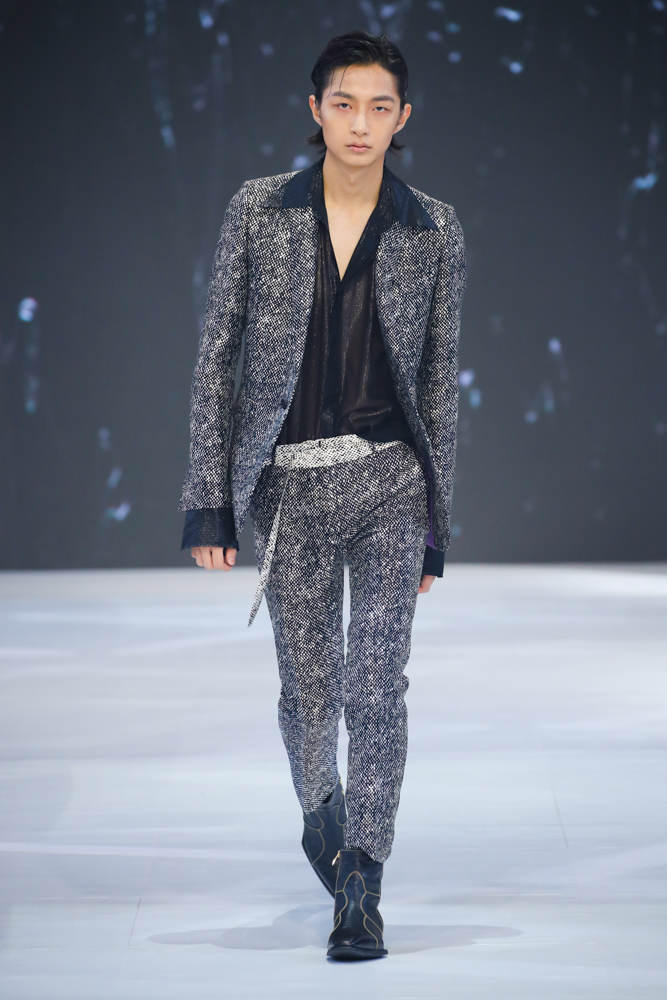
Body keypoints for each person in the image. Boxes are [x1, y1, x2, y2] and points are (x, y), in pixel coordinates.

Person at [179, 30, 466, 961]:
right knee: (307, 690)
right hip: (290, 487)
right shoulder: (258, 211)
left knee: (376, 685)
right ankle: (320, 812)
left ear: (402, 116)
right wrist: (209, 501)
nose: (361, 123)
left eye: (380, 106)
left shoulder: (432, 229)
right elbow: (218, 356)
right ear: (315, 110)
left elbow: (436, 383)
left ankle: (363, 885)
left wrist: (436, 525)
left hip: (390, 481)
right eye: (344, 103)